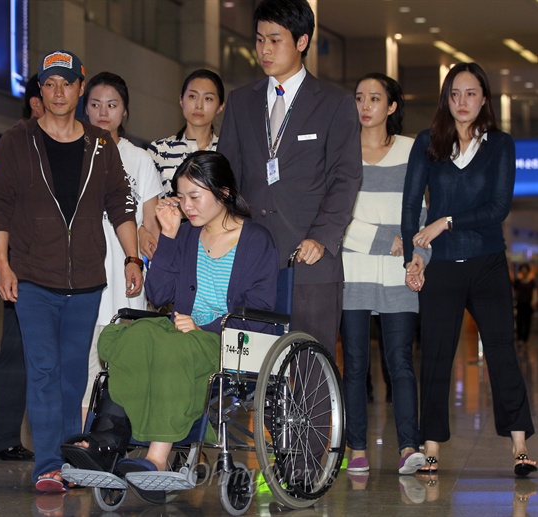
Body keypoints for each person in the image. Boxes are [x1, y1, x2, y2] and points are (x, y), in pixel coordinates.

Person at [68, 151, 278, 487]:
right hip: (181, 331)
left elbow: (260, 313)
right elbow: (160, 295)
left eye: (195, 197)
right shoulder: (185, 235)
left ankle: (157, 458)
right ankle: (106, 441)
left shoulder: (256, 241)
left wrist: (204, 327)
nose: (187, 206)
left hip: (229, 340)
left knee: (174, 349)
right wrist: (167, 237)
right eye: (181, 197)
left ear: (222, 193)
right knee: (132, 335)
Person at [0, 50, 143, 492]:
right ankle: (49, 466)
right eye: (49, 84)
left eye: (67, 83)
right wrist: (2, 263)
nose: (58, 92)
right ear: (41, 91)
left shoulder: (100, 144)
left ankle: (67, 456)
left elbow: (121, 205)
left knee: (74, 372)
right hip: (33, 277)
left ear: (79, 88)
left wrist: (133, 257)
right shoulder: (17, 141)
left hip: (86, 279)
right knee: (42, 368)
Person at [401, 62, 536, 477]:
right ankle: (431, 447)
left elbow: (498, 208)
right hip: (441, 266)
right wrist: (413, 258)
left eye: (471, 94)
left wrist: (445, 220)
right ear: (446, 99)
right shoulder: (428, 142)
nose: (462, 102)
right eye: (455, 94)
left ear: (484, 98)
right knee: (437, 356)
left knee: (501, 351)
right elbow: (409, 211)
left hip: (487, 263)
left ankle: (519, 446)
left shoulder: (501, 144)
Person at [218, 0, 362, 357]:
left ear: (301, 42)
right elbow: (226, 174)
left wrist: (322, 237)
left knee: (311, 367)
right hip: (252, 258)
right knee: (252, 369)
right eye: (259, 39)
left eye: (275, 40)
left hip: (310, 259)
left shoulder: (334, 103)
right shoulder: (240, 102)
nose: (264, 50)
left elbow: (345, 178)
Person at [340, 73, 428, 475]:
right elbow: (337, 216)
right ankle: (355, 448)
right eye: (360, 97)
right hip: (353, 269)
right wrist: (386, 240)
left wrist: (416, 255)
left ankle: (409, 447)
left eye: (375, 98)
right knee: (355, 363)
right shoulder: (340, 151)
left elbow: (424, 213)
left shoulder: (412, 151)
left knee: (400, 361)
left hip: (399, 271)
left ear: (392, 106)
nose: (365, 105)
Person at [81, 72, 163, 420]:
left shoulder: (140, 159)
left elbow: (151, 221)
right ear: (85, 108)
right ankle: (84, 446)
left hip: (126, 283)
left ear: (124, 111)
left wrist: (147, 238)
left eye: (112, 105)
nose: (104, 112)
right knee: (86, 374)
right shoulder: (76, 153)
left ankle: (115, 445)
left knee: (124, 372)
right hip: (85, 283)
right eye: (96, 104)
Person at [0, 74, 44, 462]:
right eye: (43, 95)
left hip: (61, 270)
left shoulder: (75, 143)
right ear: (33, 104)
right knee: (15, 352)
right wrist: (0, 264)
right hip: (22, 268)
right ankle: (2, 438)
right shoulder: (16, 143)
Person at [148, 69, 225, 197]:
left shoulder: (228, 151)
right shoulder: (158, 151)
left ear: (220, 107)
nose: (199, 105)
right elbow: (148, 205)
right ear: (181, 100)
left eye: (208, 98)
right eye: (192, 96)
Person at [513, 263, 537, 348]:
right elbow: (514, 292)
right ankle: (520, 339)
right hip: (520, 304)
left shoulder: (531, 282)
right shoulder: (518, 282)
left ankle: (525, 340)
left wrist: (534, 302)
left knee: (527, 322)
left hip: (528, 304)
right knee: (519, 321)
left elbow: (534, 292)